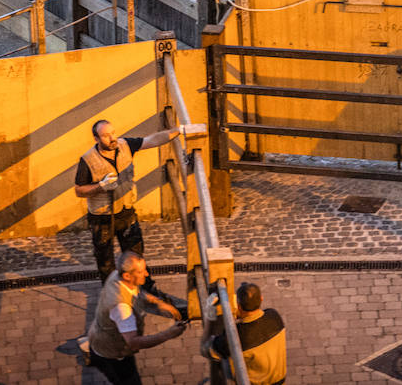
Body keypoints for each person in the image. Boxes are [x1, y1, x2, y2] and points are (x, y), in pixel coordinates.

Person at [75, 119, 182, 284]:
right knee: (105, 261)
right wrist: (100, 187)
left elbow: (152, 140)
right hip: (102, 217)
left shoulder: (125, 145)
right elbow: (79, 190)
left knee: (136, 255)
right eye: (105, 136)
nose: (112, 138)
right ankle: (112, 295)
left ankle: (144, 289)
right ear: (96, 139)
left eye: (113, 133)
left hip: (126, 212)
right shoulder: (88, 160)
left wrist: (179, 130)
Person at [86, 251, 189, 385]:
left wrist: (157, 302)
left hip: (100, 337)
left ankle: (94, 357)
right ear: (127, 275)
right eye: (141, 272)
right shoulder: (122, 308)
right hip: (114, 353)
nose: (146, 274)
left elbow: (137, 292)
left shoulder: (116, 276)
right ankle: (97, 359)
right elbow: (134, 342)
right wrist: (168, 334)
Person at [206, 282, 287, 385]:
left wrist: (209, 312)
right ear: (261, 299)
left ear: (238, 306)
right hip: (279, 382)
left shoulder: (237, 336)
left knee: (222, 357)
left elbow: (207, 350)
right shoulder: (274, 317)